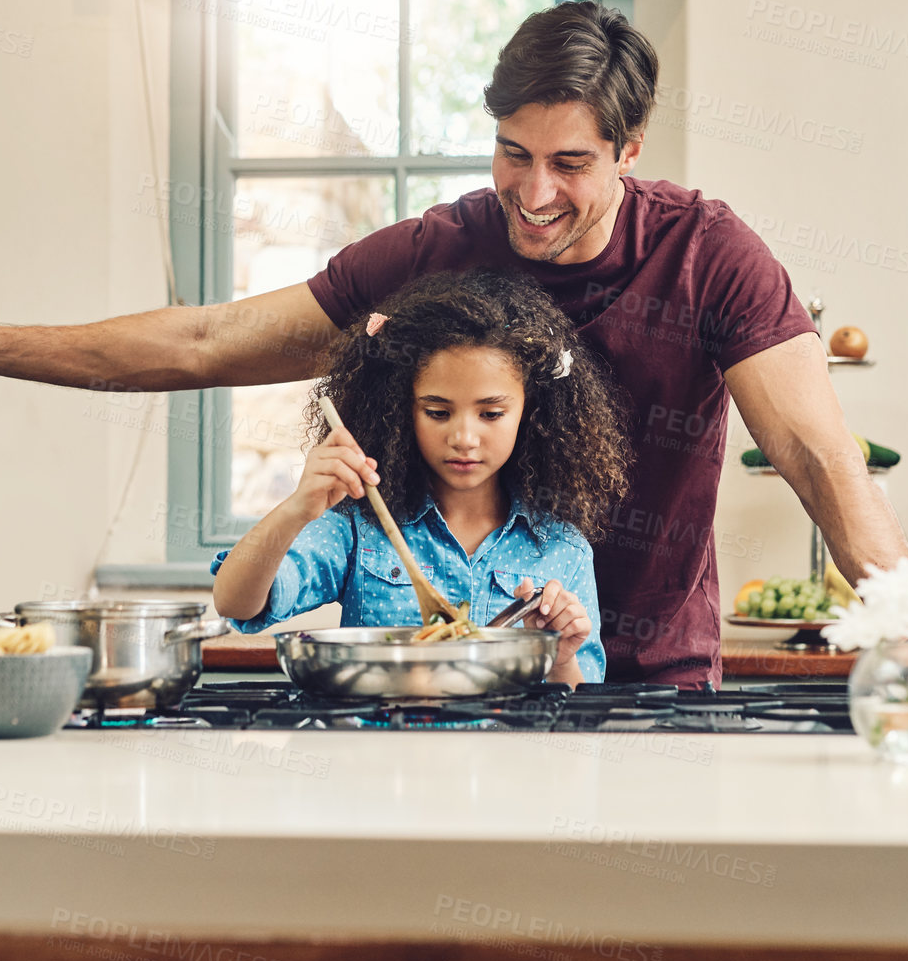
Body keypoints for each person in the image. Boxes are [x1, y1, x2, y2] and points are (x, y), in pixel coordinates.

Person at [0, 2, 908, 700]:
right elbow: (204, 339)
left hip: (655, 675)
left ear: (628, 145)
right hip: (465, 686)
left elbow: (823, 462)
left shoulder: (710, 253)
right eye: (509, 152)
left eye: (570, 163)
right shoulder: (446, 246)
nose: (533, 193)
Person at [211, 271, 631, 686]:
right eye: (437, 412)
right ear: (399, 410)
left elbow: (579, 708)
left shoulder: (562, 548)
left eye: (491, 414)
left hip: (506, 755)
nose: (464, 438)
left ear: (531, 412)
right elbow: (237, 603)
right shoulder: (358, 530)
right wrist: (296, 509)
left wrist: (559, 661)